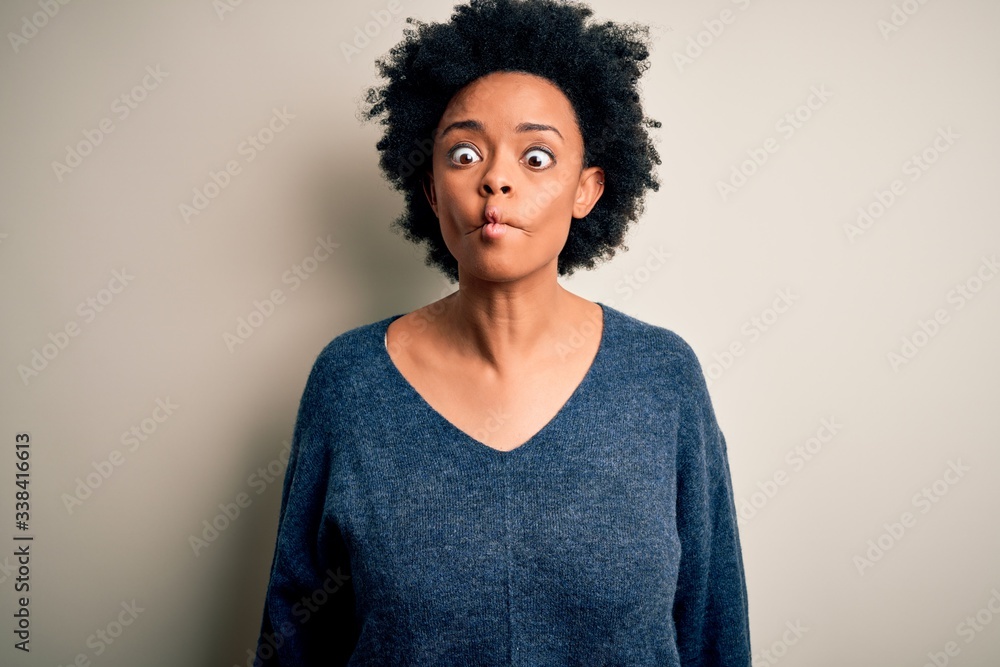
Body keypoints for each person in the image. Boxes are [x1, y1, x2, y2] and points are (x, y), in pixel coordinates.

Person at [253, 0, 751, 664]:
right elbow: (295, 638)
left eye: (537, 157)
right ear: (432, 190)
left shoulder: (662, 378)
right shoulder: (350, 383)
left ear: (588, 188)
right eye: (464, 153)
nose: (496, 178)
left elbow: (714, 632)